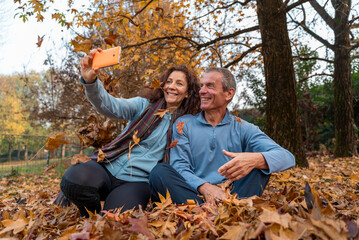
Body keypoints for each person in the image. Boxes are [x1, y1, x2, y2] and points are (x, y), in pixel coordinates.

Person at [59, 49, 201, 217]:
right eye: (168, 81)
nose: (171, 86)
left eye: (179, 83)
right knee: (73, 181)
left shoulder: (187, 124)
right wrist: (91, 82)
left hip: (137, 182)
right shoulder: (144, 105)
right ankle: (90, 214)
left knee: (115, 221)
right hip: (108, 166)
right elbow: (110, 106)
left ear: (187, 93)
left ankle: (101, 218)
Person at [149, 67, 295, 204]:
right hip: (193, 195)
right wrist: (205, 187)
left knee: (259, 164)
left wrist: (255, 159)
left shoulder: (243, 127)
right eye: (202, 86)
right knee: (159, 172)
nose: (202, 91)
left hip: (233, 195)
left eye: (210, 86)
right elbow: (180, 166)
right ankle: (203, 214)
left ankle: (231, 212)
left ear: (229, 93)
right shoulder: (183, 124)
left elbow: (288, 157)